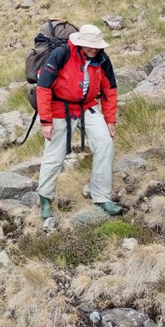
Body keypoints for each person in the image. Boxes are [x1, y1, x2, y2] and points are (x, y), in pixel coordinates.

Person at [35, 23, 122, 218]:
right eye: (89, 45)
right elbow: (43, 87)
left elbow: (109, 90)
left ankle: (102, 197)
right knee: (54, 155)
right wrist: (46, 121)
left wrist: (110, 120)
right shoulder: (61, 54)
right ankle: (45, 199)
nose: (93, 49)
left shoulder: (102, 59)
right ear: (80, 43)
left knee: (105, 143)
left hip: (87, 106)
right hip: (61, 108)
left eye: (96, 45)